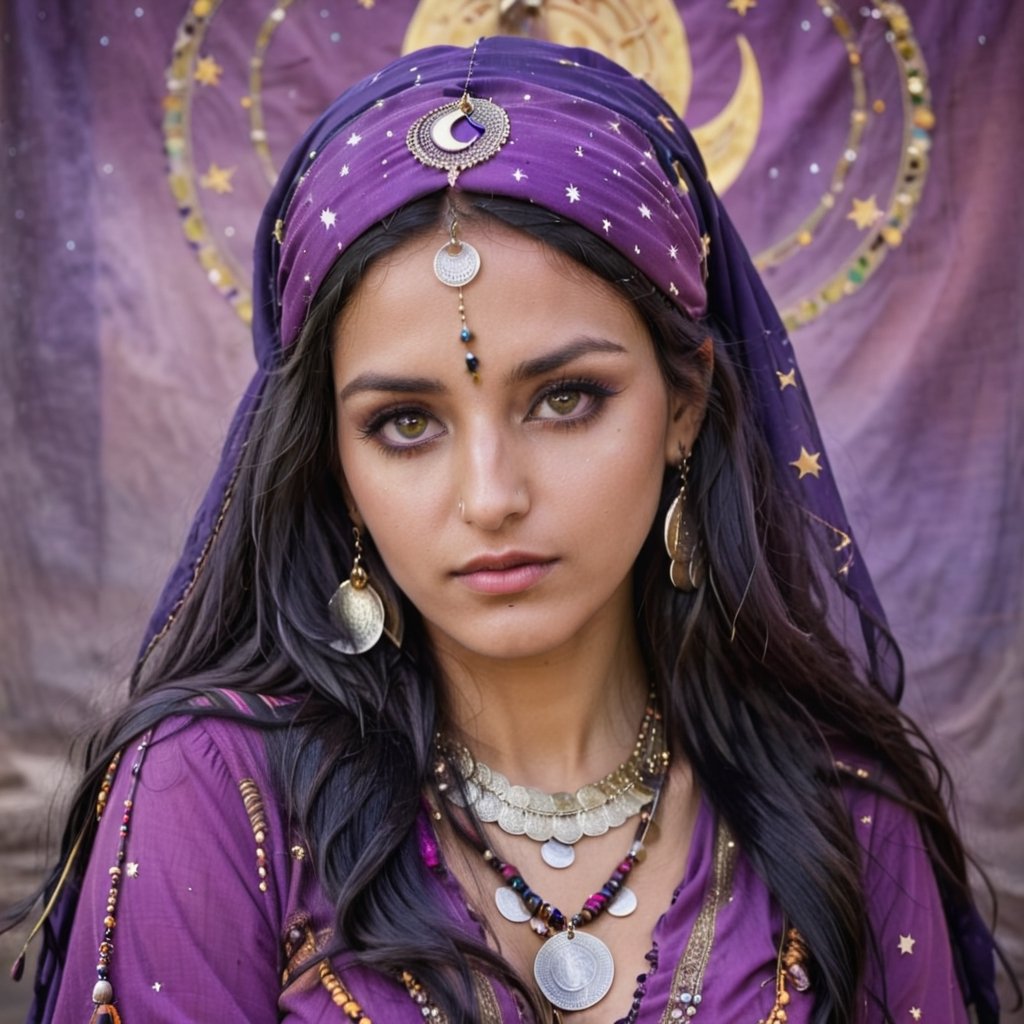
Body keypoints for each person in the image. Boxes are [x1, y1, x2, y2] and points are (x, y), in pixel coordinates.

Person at [4, 36, 1003, 1024]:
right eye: (405, 424)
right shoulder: (215, 794)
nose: (490, 496)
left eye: (565, 399)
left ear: (684, 403)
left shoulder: (842, 814)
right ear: (336, 464)